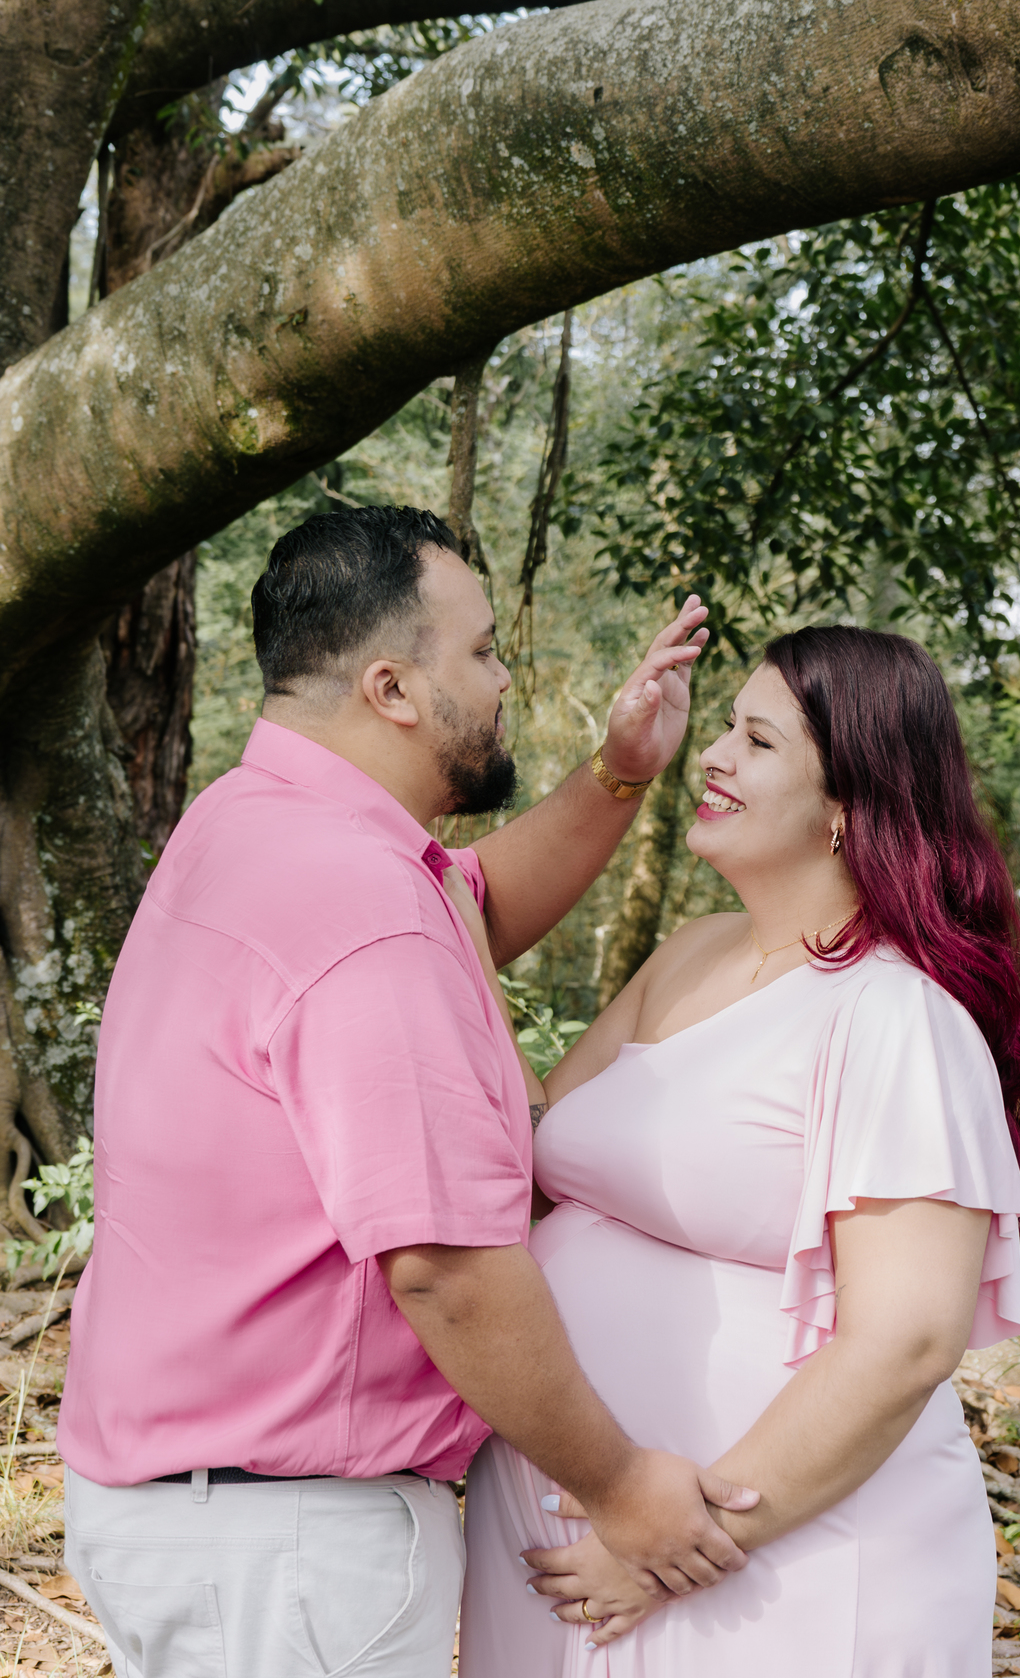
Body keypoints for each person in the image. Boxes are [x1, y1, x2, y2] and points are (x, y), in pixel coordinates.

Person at [57, 505, 758, 1678]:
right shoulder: (361, 904)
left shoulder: (257, 821)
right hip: (292, 1549)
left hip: (204, 1517)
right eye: (480, 652)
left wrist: (619, 772)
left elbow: (465, 907)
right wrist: (625, 1490)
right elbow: (446, 1268)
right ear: (391, 688)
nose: (503, 679)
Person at [457, 625, 1020, 1678]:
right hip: (577, 1546)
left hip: (764, 1564)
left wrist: (671, 1546)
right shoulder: (690, 953)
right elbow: (536, 1140)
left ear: (849, 803)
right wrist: (459, 948)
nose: (714, 756)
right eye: (726, 727)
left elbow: (906, 1342)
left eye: (758, 741)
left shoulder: (895, 1017)